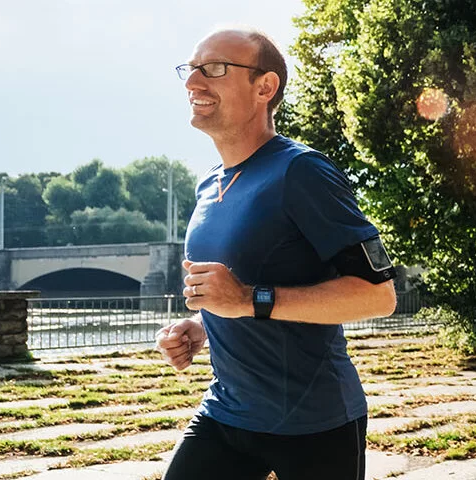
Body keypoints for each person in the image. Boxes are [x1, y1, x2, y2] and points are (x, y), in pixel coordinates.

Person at [156, 27, 398, 480]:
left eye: (214, 69)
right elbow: (235, 294)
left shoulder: (302, 171)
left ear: (265, 87)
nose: (193, 83)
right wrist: (200, 325)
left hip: (314, 422)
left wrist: (248, 299)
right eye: (190, 70)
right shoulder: (209, 183)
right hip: (227, 411)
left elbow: (377, 296)